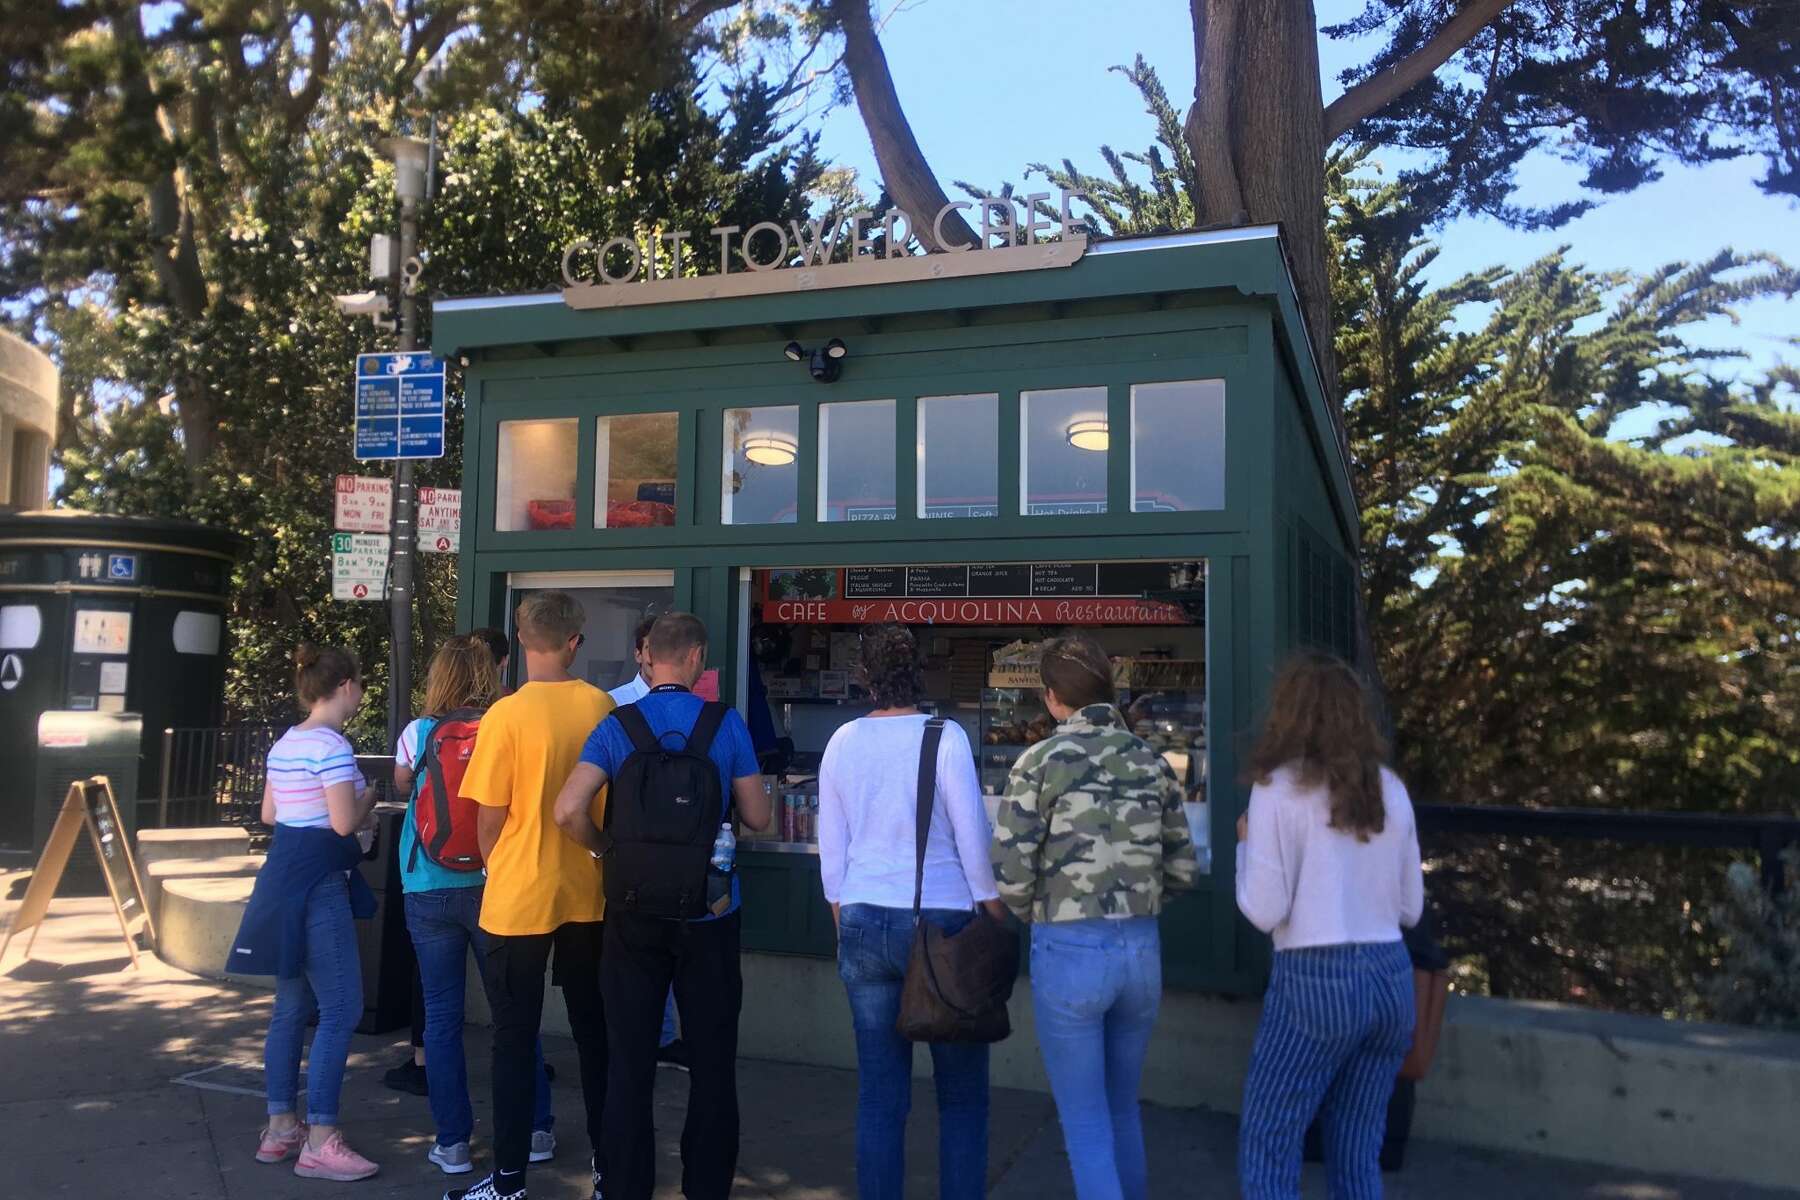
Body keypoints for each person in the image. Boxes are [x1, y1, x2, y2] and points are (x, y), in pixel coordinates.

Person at [552, 612, 772, 1200]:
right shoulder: (725, 725)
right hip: (711, 913)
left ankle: (626, 1187)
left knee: (629, 1061)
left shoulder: (618, 724)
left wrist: (606, 851)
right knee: (712, 1064)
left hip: (632, 912)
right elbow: (757, 816)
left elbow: (566, 809)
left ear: (649, 656)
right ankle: (705, 1188)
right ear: (697, 658)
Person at [991, 632, 1200, 1200]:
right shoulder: (1151, 759)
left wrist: (1041, 910)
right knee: (1121, 1110)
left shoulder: (1039, 762)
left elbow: (1009, 875)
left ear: (1054, 697)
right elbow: (1183, 870)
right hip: (1140, 949)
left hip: (1070, 951)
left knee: (1084, 1124)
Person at [817, 624, 1006, 1200]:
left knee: (880, 1093)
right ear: (917, 675)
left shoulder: (842, 741)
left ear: (864, 677)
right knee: (962, 1095)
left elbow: (833, 847)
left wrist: (841, 916)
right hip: (943, 920)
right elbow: (973, 837)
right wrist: (992, 909)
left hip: (863, 915)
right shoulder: (943, 737)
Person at [1233, 651, 1425, 1199]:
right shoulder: (1389, 786)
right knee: (1358, 1149)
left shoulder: (1276, 789)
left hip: (1315, 977)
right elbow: (1411, 908)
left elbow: (1264, 910)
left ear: (1288, 714)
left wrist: (1245, 845)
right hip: (1390, 977)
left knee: (1271, 1141)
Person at [449, 592, 616, 1200]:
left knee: (513, 1040)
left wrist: (502, 865)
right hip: (587, 893)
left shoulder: (504, 716)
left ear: (520, 641)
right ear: (576, 642)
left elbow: (487, 819)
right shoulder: (600, 706)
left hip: (518, 896)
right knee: (596, 1035)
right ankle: (609, 1170)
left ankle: (509, 1180)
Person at [393, 635, 557, 1176]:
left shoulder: (418, 733)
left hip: (427, 886)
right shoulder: (506, 723)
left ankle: (454, 1142)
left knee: (441, 1018)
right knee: (514, 1011)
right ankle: (535, 1129)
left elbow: (402, 784)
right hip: (495, 884)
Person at [230, 643, 380, 1182]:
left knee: (290, 1007)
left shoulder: (286, 742)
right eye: (359, 683)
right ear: (344, 687)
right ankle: (320, 1137)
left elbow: (271, 813)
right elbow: (343, 825)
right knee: (342, 1009)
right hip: (321, 887)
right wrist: (371, 800)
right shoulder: (333, 747)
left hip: (282, 883)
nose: (361, 692)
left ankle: (279, 1129)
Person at [607, 617, 685, 1069]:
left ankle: (666, 1037)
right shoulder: (614, 705)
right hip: (630, 846)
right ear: (640, 653)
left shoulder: (696, 706)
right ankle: (641, 1039)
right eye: (648, 648)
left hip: (677, 848)